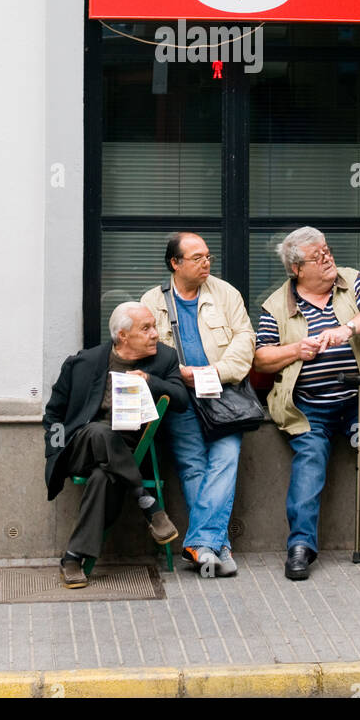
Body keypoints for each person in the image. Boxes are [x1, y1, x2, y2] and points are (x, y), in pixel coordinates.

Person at [255, 227, 360, 580]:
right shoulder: (276, 305)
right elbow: (262, 358)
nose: (328, 258)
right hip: (308, 406)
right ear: (297, 269)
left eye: (327, 250)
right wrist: (296, 350)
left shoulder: (352, 281)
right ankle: (301, 547)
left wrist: (348, 329)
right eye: (318, 257)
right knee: (310, 461)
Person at [43, 301, 188, 588]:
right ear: (123, 336)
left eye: (153, 327)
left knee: (102, 477)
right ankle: (146, 502)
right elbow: (53, 414)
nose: (155, 334)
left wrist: (150, 380)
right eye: (145, 328)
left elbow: (181, 400)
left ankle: (72, 558)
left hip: (131, 452)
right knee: (98, 430)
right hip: (82, 445)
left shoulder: (164, 359)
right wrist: (55, 448)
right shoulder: (83, 362)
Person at [142, 233, 255, 578]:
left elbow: (245, 339)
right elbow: (146, 350)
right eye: (197, 257)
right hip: (178, 397)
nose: (206, 262)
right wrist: (180, 374)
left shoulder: (226, 294)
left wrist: (214, 372)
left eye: (208, 256)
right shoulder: (153, 300)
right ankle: (217, 547)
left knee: (225, 458)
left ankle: (201, 543)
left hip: (222, 394)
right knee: (193, 466)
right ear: (175, 263)